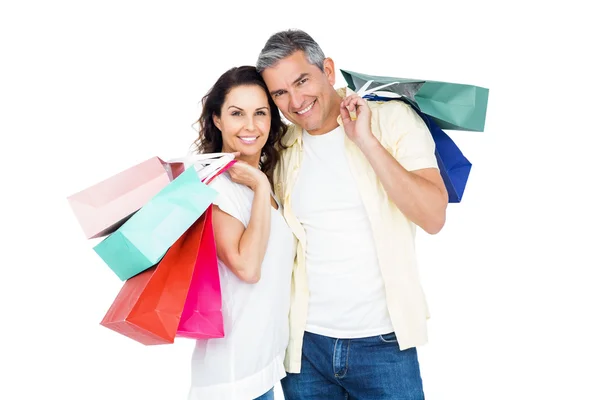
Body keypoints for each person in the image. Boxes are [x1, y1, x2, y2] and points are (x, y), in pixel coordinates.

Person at [256, 30, 449, 399]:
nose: (295, 101)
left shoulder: (391, 120)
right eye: (280, 93)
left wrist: (366, 141)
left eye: (301, 80)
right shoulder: (283, 146)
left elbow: (432, 217)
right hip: (304, 348)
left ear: (327, 70)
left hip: (383, 344)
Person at [187, 65, 295, 400]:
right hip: (230, 381)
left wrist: (261, 185)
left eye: (260, 113)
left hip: (261, 372)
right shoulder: (214, 185)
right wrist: (262, 187)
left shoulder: (258, 182)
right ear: (217, 119)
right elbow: (247, 268)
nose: (250, 126)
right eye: (237, 113)